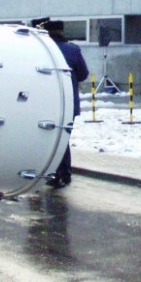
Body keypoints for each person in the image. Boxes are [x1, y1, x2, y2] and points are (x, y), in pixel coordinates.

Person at [43, 19, 89, 188]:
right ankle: (64, 174)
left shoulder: (43, 50)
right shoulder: (73, 50)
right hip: (68, 103)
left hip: (45, 103)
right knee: (63, 138)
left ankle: (51, 173)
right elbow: (83, 74)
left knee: (46, 138)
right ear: (62, 31)